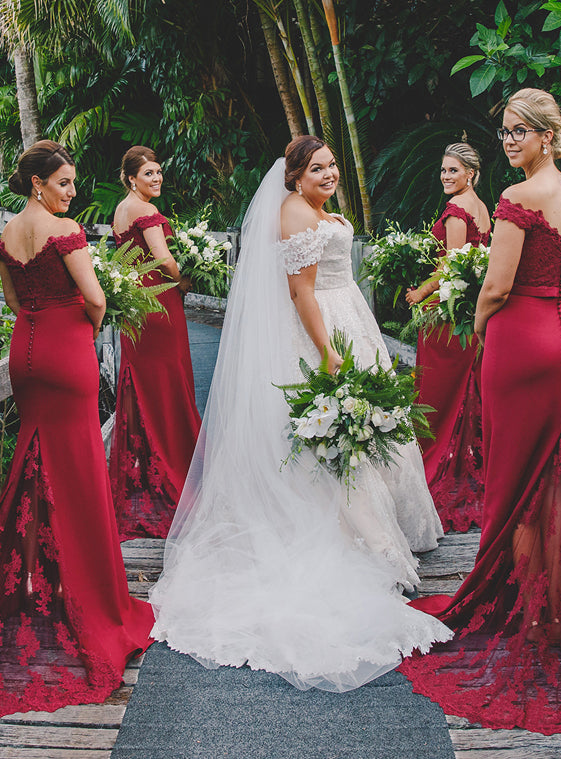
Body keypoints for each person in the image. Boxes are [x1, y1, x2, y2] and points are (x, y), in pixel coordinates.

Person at [150, 135, 452, 693]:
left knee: (365, 429)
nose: (330, 173)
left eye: (333, 164)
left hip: (348, 314)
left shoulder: (312, 208)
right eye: (318, 168)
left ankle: (383, 533)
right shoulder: (294, 212)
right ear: (294, 177)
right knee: (333, 439)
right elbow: (301, 292)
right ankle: (354, 541)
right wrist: (329, 352)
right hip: (323, 329)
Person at [398, 89, 561, 734]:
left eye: (520, 132)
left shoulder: (520, 198)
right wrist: (549, 304)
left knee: (511, 482)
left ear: (546, 135)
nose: (509, 141)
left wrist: (484, 327)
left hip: (520, 342)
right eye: (506, 132)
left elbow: (496, 283)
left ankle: (516, 608)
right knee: (557, 479)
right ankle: (556, 607)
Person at [0, 140, 154, 717]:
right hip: (68, 349)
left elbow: (14, 301)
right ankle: (89, 600)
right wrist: (85, 329)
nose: (71, 192)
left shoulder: (9, 233)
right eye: (63, 183)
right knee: (81, 472)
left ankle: (30, 590)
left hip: (26, 353)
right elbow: (95, 298)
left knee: (33, 466)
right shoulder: (65, 233)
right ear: (40, 183)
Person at [110, 146, 201, 541]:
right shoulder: (146, 212)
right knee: (167, 384)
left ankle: (145, 470)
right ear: (132, 177)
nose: (157, 178)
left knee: (145, 385)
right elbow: (163, 258)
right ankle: (174, 465)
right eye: (149, 173)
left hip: (137, 308)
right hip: (158, 305)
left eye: (159, 172)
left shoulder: (120, 210)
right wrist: (187, 276)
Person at [406, 143, 491, 533]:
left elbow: (450, 267)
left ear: (470, 173)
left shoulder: (457, 213)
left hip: (448, 315)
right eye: (443, 170)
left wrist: (418, 293)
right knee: (464, 392)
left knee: (436, 397)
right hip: (469, 312)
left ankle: (440, 470)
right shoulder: (482, 208)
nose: (445, 176)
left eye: (453, 171)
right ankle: (468, 467)